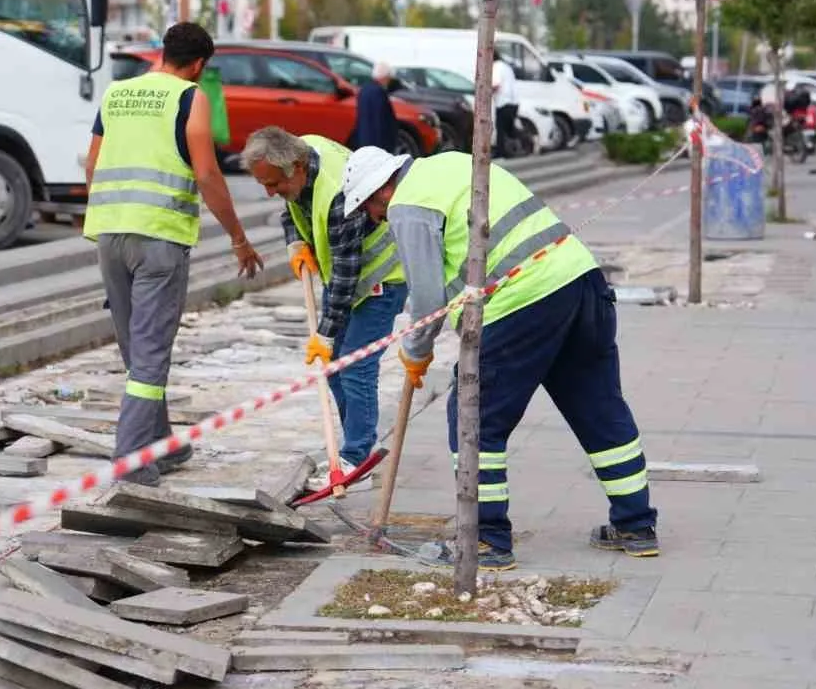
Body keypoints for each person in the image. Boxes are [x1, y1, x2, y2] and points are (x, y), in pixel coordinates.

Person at [340, 146, 660, 571]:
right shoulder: (452, 162)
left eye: (370, 212)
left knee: (474, 418)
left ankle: (487, 540)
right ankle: (636, 525)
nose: (378, 221)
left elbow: (428, 296)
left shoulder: (407, 204)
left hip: (521, 302)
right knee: (599, 407)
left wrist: (416, 351)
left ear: (378, 193)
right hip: (581, 280)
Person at [84, 22, 264, 485]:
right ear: (200, 65)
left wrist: (112, 213)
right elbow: (206, 173)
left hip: (110, 234)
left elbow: (92, 163)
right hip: (159, 239)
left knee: (136, 346)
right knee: (149, 354)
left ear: (163, 53)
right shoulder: (190, 97)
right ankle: (132, 461)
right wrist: (238, 238)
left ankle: (159, 442)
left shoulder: (117, 94)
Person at [240, 127, 409, 471]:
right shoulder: (301, 151)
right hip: (345, 274)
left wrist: (326, 333)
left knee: (354, 364)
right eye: (264, 186)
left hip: (380, 279)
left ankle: (357, 454)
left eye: (274, 184)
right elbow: (292, 207)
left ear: (297, 167)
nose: (271, 193)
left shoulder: (337, 198)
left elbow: (347, 278)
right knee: (334, 366)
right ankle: (357, 442)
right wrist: (295, 242)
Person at [351, 62, 399, 152]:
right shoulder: (379, 92)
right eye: (389, 78)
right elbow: (380, 119)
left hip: (364, 138)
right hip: (377, 143)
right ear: (385, 77)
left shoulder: (364, 89)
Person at [493, 55, 519, 158]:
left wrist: (485, 94)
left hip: (503, 102)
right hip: (514, 102)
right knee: (509, 129)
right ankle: (521, 146)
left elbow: (496, 84)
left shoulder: (496, 66)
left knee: (501, 129)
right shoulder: (507, 67)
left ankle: (501, 152)